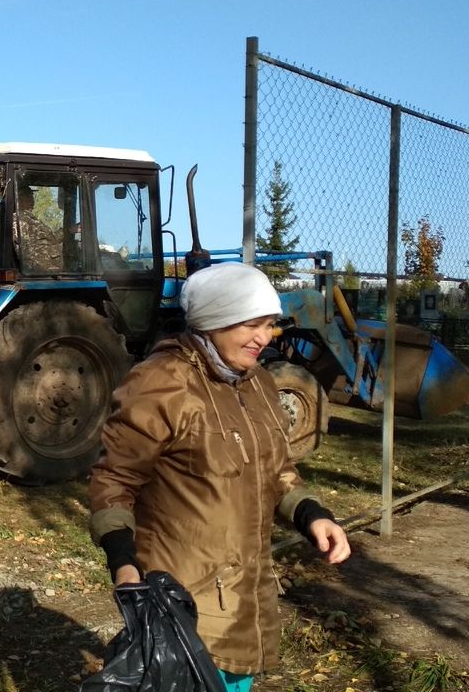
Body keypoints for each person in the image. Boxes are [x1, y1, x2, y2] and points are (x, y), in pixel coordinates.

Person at [88, 262, 350, 692]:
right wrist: (123, 562)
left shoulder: (259, 382)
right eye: (251, 324)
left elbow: (278, 471)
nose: (263, 337)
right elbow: (114, 480)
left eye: (269, 325)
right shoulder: (162, 383)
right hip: (182, 598)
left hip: (247, 594)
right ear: (214, 321)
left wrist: (312, 515)